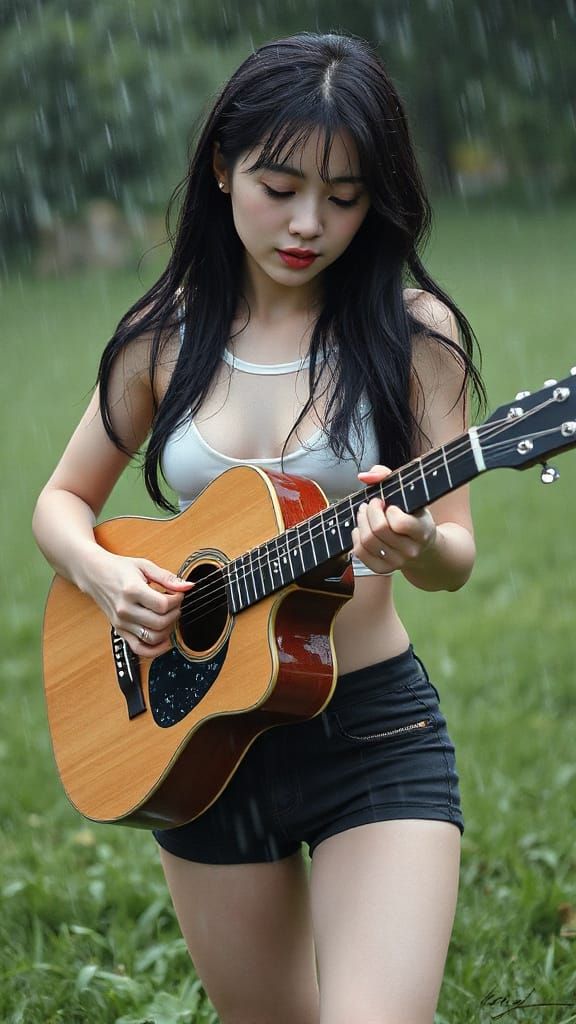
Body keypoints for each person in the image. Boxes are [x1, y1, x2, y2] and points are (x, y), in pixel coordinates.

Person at [33, 31, 485, 1024]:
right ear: (222, 165)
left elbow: (455, 551)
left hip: (370, 728)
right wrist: (107, 579)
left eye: (346, 195)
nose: (309, 223)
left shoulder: (415, 333)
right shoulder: (166, 334)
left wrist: (417, 547)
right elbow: (60, 502)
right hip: (195, 741)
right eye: (279, 186)